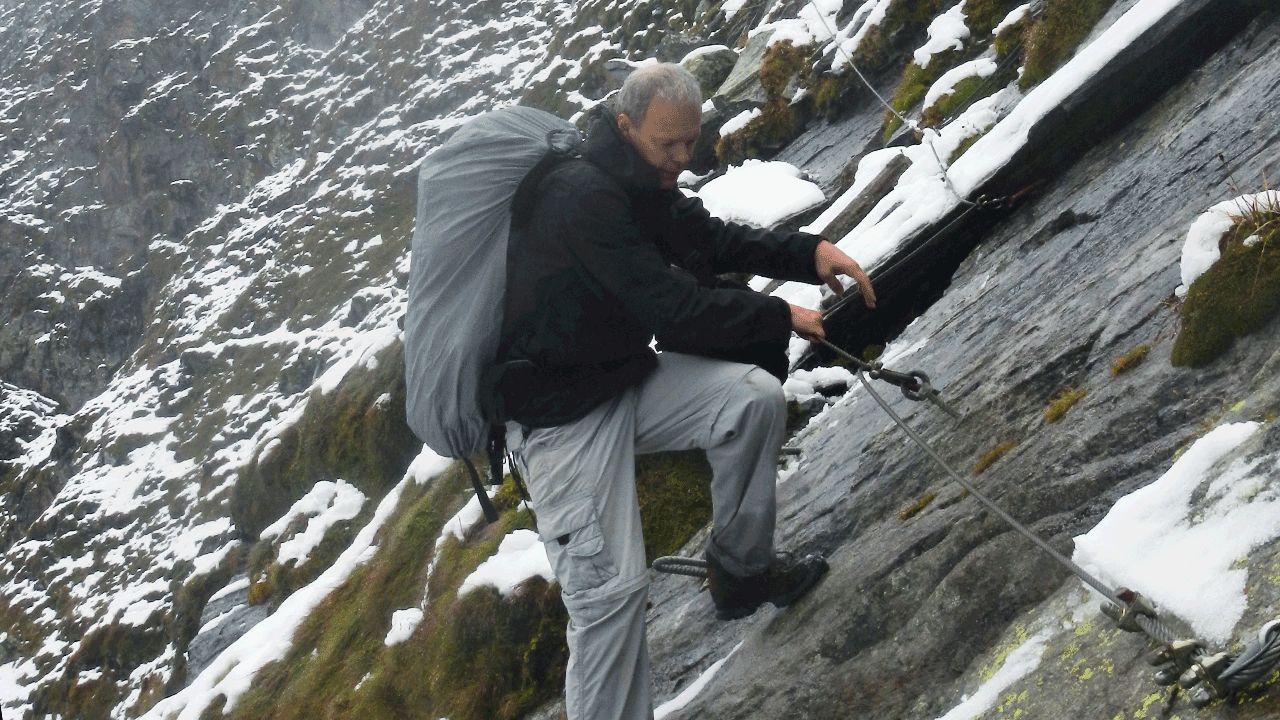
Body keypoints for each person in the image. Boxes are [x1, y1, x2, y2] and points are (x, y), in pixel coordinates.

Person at [484, 63, 876, 720]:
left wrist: (808, 255)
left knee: (750, 401)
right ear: (625, 126)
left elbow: (709, 239)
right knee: (609, 599)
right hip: (557, 421)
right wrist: (778, 316)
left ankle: (741, 574)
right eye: (669, 143)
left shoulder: (636, 178)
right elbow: (673, 308)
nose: (683, 158)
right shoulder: (584, 198)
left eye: (691, 141)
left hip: (619, 381)